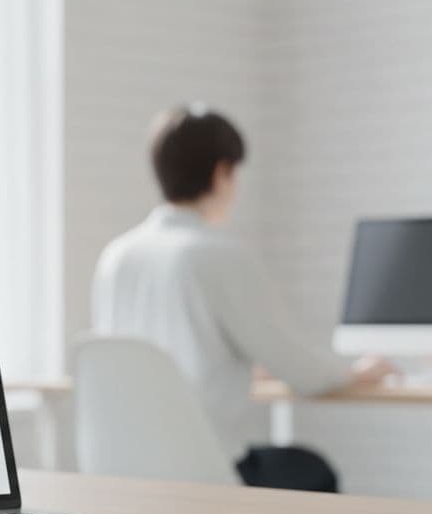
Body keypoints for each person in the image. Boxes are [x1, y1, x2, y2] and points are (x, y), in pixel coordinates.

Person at [91, 104, 394, 489]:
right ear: (222, 172)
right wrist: (357, 372)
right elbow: (304, 373)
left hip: (127, 473)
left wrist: (239, 365)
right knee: (313, 470)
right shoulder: (216, 254)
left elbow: (154, 361)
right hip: (206, 470)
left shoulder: (117, 256)